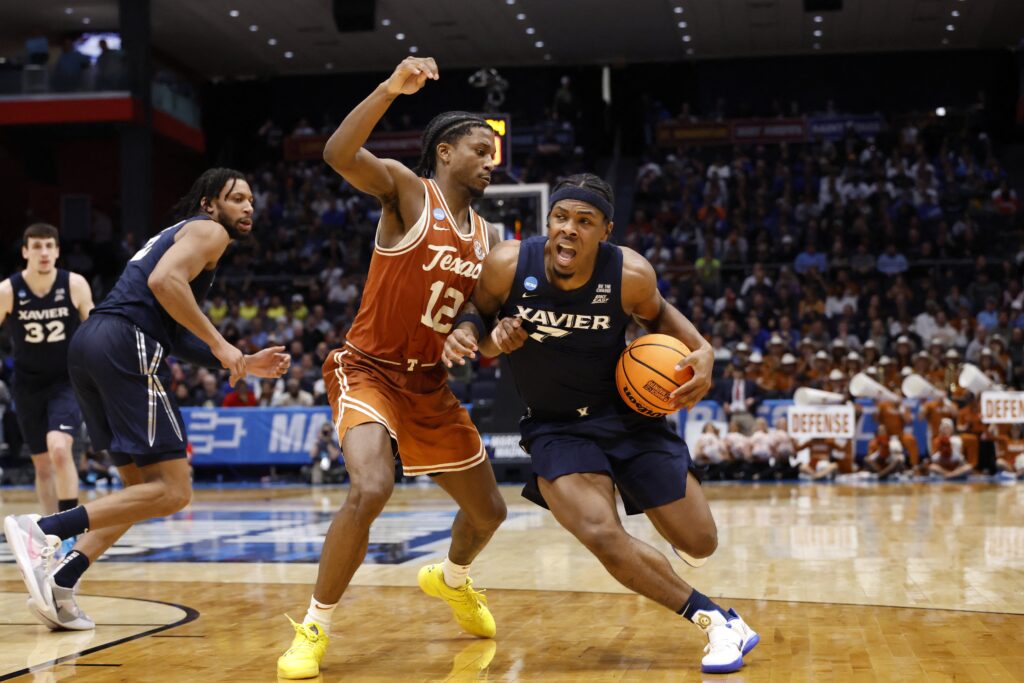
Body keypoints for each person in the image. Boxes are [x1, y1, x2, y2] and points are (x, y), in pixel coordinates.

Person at [443, 174, 759, 674]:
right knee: (601, 533)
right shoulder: (508, 263)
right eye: (561, 218)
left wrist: (705, 351)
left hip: (628, 416)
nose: (569, 230)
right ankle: (716, 621)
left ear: (605, 231)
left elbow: (660, 318)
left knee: (700, 542)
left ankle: (677, 560)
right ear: (549, 222)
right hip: (556, 427)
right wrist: (483, 338)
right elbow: (476, 319)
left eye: (584, 221)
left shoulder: (630, 274)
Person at [277, 57, 507, 680]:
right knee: (371, 486)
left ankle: (453, 578)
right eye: (481, 149)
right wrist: (388, 89)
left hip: (429, 384)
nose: (493, 160)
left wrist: (479, 334)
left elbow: (480, 330)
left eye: (495, 152)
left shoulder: (491, 239)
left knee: (489, 513)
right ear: (445, 152)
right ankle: (315, 625)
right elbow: (337, 153)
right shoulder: (408, 191)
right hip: (369, 368)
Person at [3, 168, 291, 631]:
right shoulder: (209, 232)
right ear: (209, 204)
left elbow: (173, 328)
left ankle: (62, 578)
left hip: (91, 346)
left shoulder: (180, 235)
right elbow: (164, 282)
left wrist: (237, 360)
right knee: (175, 491)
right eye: (236, 198)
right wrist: (221, 343)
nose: (247, 207)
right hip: (123, 346)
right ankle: (42, 530)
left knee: (141, 493)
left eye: (251, 201)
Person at [0, 223, 94, 553]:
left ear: (57, 251)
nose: (43, 252)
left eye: (49, 246)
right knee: (41, 464)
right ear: (25, 251)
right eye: (36, 246)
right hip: (27, 385)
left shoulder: (74, 284)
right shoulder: (8, 290)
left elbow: (94, 330)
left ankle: (70, 528)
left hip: (66, 381)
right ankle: (49, 530)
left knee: (59, 448)